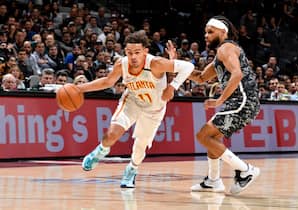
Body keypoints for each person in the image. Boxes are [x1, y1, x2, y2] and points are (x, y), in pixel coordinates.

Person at [78, 31, 194, 188]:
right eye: (129, 52)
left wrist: (172, 87)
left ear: (145, 51)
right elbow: (107, 81)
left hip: (154, 109)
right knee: (110, 135)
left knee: (140, 145)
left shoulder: (156, 63)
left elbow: (188, 66)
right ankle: (99, 152)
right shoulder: (122, 64)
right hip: (132, 102)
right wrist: (79, 89)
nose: (133, 57)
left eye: (137, 53)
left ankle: (131, 169)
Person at [188, 16, 260, 194]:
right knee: (212, 139)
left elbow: (237, 75)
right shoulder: (220, 55)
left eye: (210, 32)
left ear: (223, 32)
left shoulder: (226, 48)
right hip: (241, 101)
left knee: (203, 136)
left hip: (243, 100)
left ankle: (245, 170)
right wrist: (177, 65)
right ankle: (213, 180)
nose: (206, 35)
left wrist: (219, 100)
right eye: (205, 31)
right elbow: (201, 77)